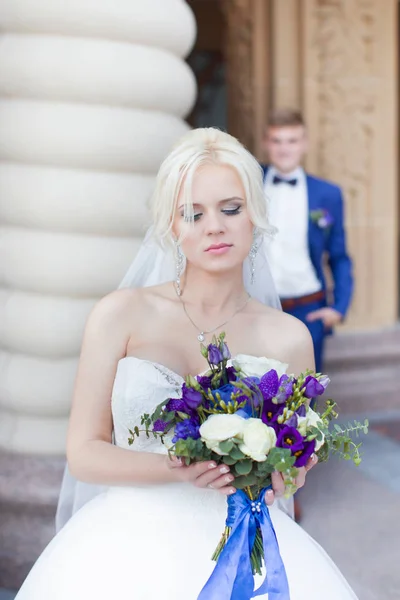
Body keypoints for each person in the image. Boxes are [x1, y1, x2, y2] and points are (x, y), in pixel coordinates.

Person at [16, 128, 357, 600]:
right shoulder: (120, 314)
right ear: (171, 226)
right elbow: (84, 451)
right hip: (127, 549)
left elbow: (294, 470)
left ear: (255, 215)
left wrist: (288, 469)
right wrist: (174, 468)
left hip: (245, 543)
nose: (213, 226)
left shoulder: (289, 336)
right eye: (192, 214)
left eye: (230, 209)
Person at [261, 108, 353, 374]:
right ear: (267, 143)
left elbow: (339, 256)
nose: (284, 149)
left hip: (308, 309)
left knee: (304, 401)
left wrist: (339, 307)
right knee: (252, 398)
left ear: (305, 144)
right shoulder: (250, 184)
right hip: (258, 308)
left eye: (292, 140)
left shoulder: (327, 194)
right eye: (277, 141)